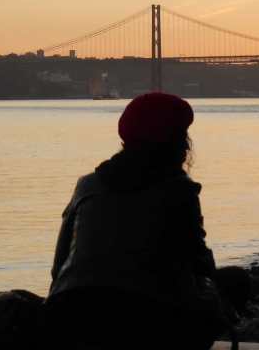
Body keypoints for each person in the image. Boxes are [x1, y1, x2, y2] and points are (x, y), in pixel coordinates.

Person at [44, 92, 242, 350]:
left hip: (68, 315)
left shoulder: (87, 184)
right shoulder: (179, 189)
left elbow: (58, 264)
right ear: (175, 141)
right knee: (236, 281)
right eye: (183, 134)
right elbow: (199, 262)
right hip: (150, 322)